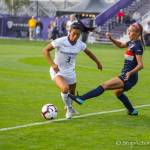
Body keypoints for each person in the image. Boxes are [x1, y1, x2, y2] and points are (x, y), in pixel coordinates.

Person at [69, 22, 145, 116]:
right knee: (118, 93)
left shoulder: (138, 46)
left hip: (129, 77)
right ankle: (132, 111)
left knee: (104, 85)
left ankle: (81, 98)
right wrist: (111, 39)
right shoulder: (131, 43)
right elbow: (121, 45)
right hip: (126, 75)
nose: (128, 33)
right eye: (128, 31)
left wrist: (129, 73)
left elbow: (141, 65)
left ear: (137, 33)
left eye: (131, 31)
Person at [43, 22, 102, 119]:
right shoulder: (60, 41)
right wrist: (52, 64)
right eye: (73, 33)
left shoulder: (80, 44)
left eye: (78, 35)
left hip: (70, 72)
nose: (75, 36)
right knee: (65, 89)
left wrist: (98, 62)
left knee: (72, 93)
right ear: (69, 31)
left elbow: (89, 53)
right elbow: (45, 50)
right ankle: (69, 109)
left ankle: (69, 107)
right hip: (57, 70)